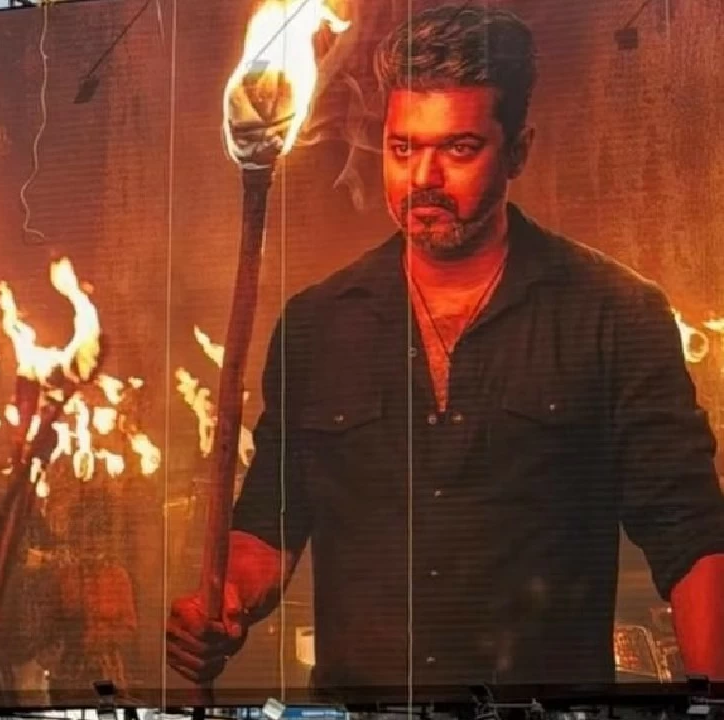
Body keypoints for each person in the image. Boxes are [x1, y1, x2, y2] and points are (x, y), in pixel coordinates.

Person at [167, 4, 724, 689]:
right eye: (403, 148)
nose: (423, 177)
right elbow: (268, 527)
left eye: (458, 148)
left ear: (517, 150)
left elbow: (691, 539)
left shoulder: (614, 314)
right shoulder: (317, 324)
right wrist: (224, 601)